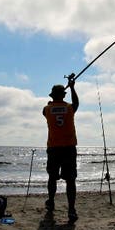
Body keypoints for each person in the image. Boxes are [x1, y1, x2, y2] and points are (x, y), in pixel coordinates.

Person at [42, 76, 79, 222]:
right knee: (70, 180)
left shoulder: (47, 109)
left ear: (52, 96)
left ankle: (51, 202)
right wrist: (72, 87)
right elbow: (76, 103)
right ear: (63, 95)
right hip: (69, 148)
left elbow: (47, 108)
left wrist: (52, 102)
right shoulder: (69, 108)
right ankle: (71, 210)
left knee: (52, 177)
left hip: (54, 148)